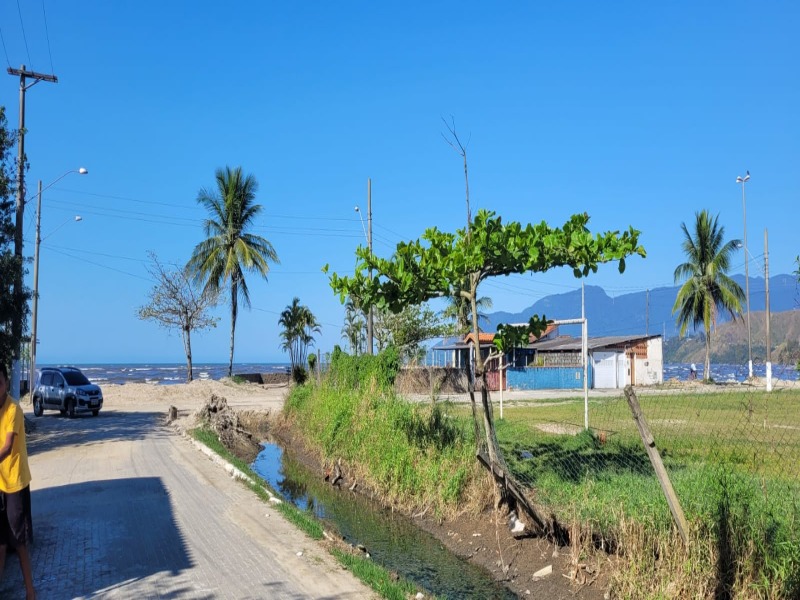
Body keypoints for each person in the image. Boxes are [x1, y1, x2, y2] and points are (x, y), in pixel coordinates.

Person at [0, 363, 35, 599]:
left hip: (15, 482)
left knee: (17, 540)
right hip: (0, 482)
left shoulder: (13, 409)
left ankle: (30, 591)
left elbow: (8, 446)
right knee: (0, 540)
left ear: (4, 383)